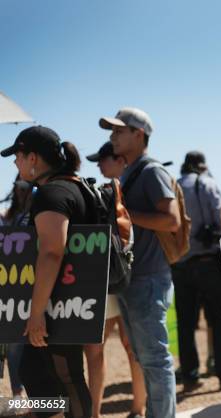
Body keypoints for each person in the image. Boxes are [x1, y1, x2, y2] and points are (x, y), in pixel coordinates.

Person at [1, 126, 92, 417]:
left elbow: (52, 251)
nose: (15, 163)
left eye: (17, 155)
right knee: (49, 376)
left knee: (65, 378)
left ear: (33, 158)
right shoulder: (74, 186)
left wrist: (37, 312)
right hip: (70, 299)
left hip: (57, 305)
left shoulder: (51, 193)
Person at [99, 108, 179, 418]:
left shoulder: (150, 171)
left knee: (155, 360)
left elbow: (171, 221)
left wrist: (123, 217)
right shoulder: (131, 172)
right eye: (112, 131)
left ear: (139, 135)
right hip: (134, 279)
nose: (112, 137)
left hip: (148, 280)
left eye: (119, 131)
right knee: (146, 360)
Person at [84, 142, 146, 418]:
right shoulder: (124, 188)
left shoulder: (107, 191)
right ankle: (137, 408)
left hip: (107, 277)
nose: (98, 164)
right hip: (126, 274)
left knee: (97, 349)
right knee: (129, 347)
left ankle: (100, 412)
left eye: (103, 159)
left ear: (118, 159)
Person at [172, 151, 221, 391]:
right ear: (202, 166)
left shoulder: (173, 186)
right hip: (209, 262)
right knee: (220, 318)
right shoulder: (206, 183)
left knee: (185, 324)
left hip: (180, 264)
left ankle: (190, 377)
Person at [0, 177, 33, 400]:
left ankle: (18, 393)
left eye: (26, 188)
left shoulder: (34, 214)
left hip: (22, 288)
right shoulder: (10, 215)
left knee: (15, 345)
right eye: (18, 187)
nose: (21, 192)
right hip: (8, 286)